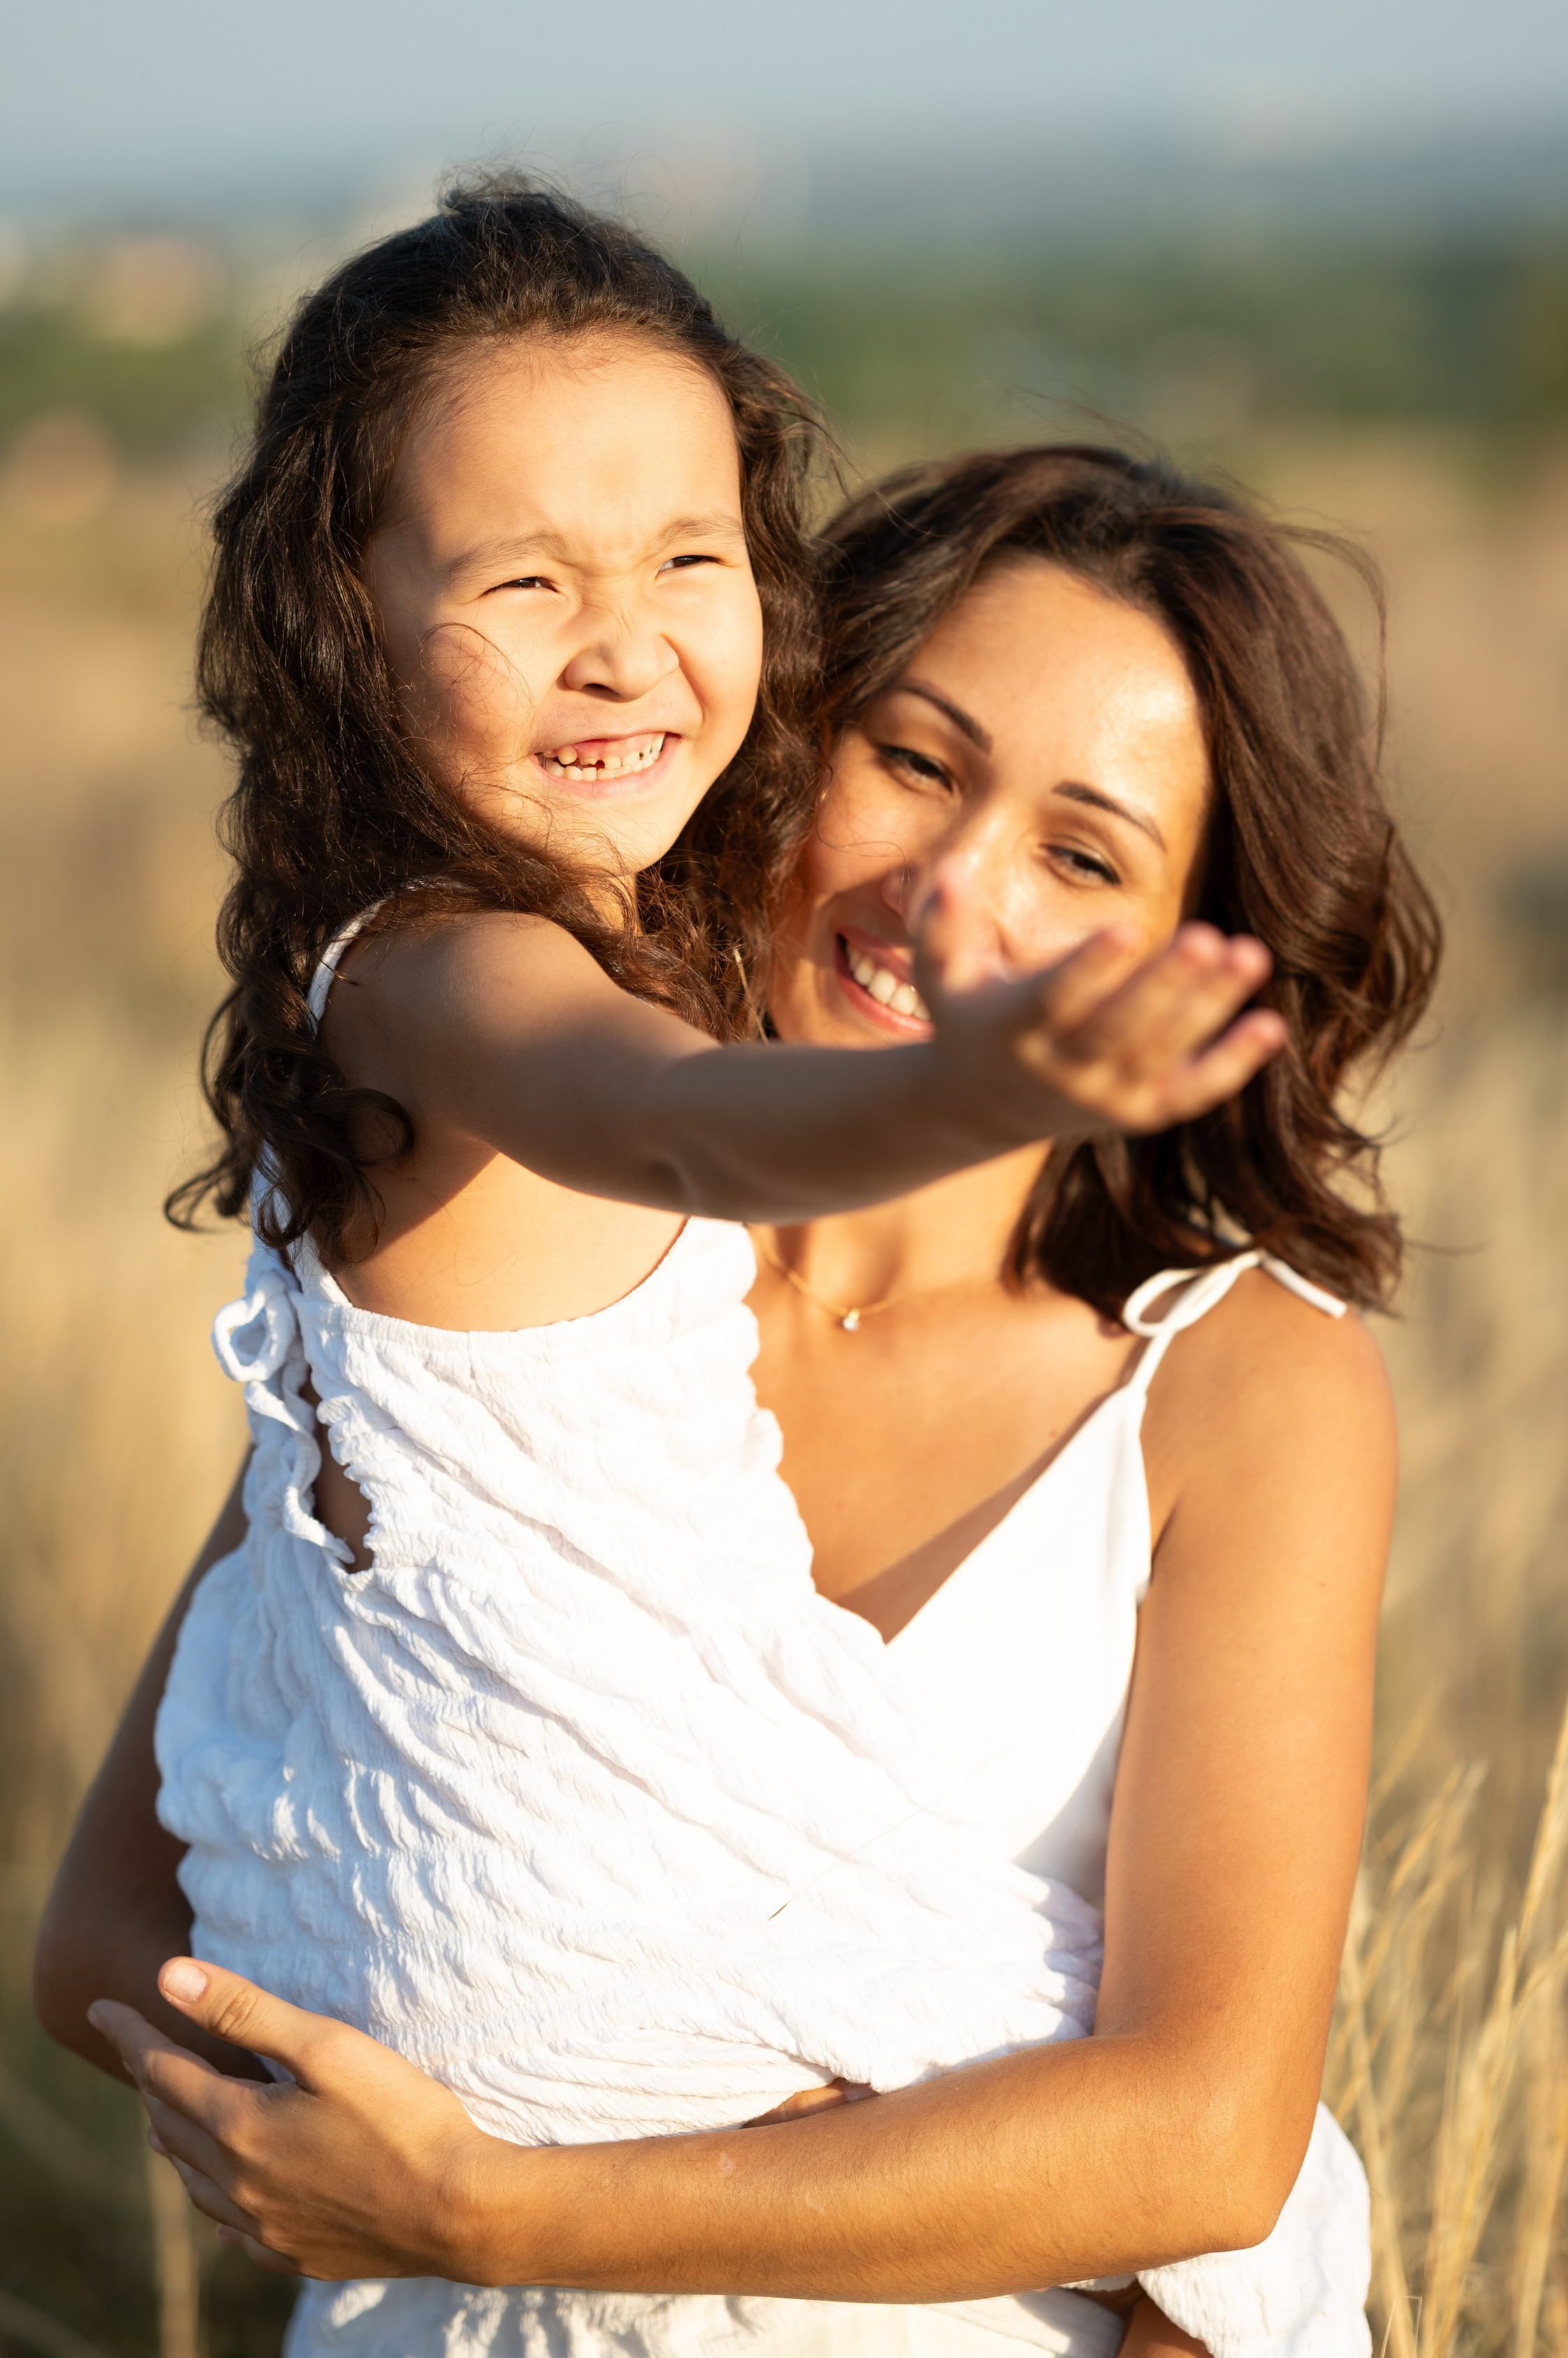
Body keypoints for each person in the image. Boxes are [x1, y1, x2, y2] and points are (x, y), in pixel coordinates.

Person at [34, 178, 1337, 2355]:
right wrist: (357, 2106)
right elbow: (112, 1925)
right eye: (914, 760)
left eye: (1086, 855)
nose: (961, 892)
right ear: (807, 726)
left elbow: (1207, 2151)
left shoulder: (1235, 1384)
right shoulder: (516, 1282)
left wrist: (509, 2201)